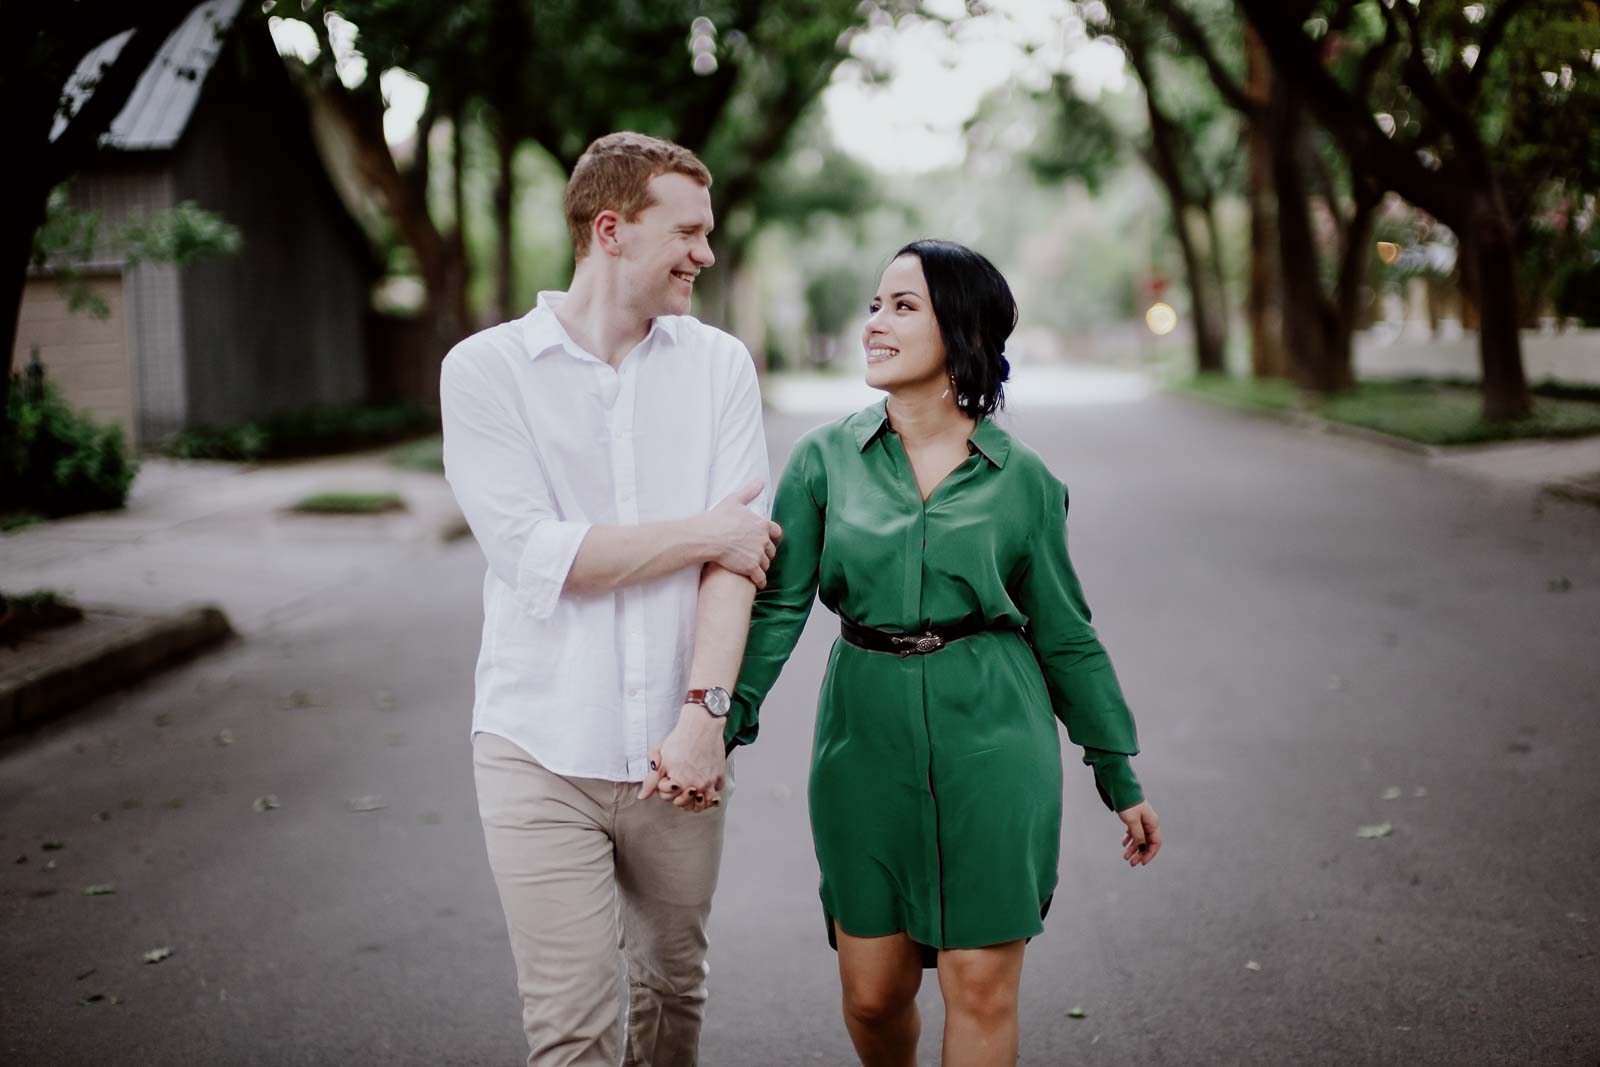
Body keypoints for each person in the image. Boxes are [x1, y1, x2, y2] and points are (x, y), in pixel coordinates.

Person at [725, 239, 1162, 1066]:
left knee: (982, 989)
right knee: (873, 996)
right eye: (875, 304)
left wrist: (1117, 768)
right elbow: (779, 609)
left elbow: (1065, 632)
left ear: (958, 330)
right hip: (865, 745)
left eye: (902, 306)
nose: (874, 324)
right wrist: (717, 723)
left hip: (995, 738)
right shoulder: (823, 461)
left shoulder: (1022, 478)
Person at [440, 131, 778, 1067]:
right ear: (611, 229)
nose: (706, 254)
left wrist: (705, 716)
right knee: (573, 1029)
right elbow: (537, 555)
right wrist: (705, 530)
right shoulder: (484, 371)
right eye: (690, 232)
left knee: (672, 992)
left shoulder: (719, 367)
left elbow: (738, 563)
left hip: (681, 747)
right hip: (538, 747)